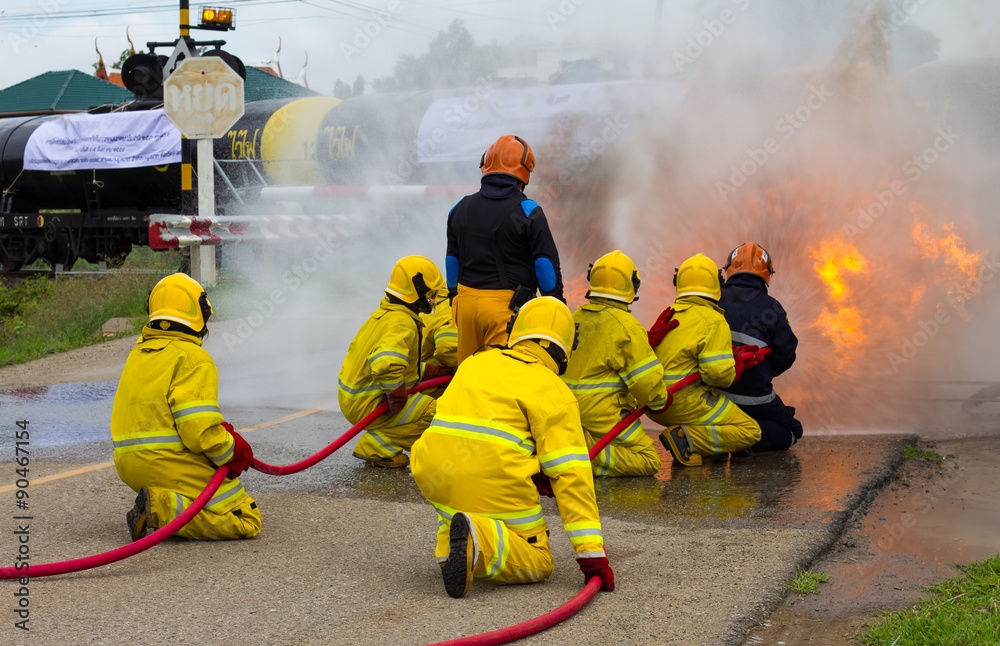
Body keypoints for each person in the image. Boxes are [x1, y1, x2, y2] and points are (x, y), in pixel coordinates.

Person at [410, 297, 614, 599]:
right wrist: (591, 556)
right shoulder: (555, 390)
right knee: (539, 560)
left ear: (516, 331)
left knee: (462, 498)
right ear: (566, 346)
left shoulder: (475, 362)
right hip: (492, 484)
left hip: (432, 476)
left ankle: (450, 546)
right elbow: (572, 478)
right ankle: (478, 540)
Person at [111, 273, 260, 541]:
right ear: (199, 313)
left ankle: (157, 500)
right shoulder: (192, 357)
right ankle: (157, 508)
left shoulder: (137, 354)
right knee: (246, 517)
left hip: (128, 465)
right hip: (165, 462)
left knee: (206, 498)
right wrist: (231, 451)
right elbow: (198, 432)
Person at [446, 135, 565, 364]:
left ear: (486, 167)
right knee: (499, 379)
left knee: (467, 376)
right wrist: (555, 303)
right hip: (504, 310)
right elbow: (544, 266)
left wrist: (454, 296)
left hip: (465, 306)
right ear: (524, 173)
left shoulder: (459, 207)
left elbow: (452, 261)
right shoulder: (529, 211)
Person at [562, 250, 672, 477]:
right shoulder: (627, 327)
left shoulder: (574, 318)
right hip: (603, 414)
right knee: (649, 460)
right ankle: (585, 456)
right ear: (632, 285)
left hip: (566, 411)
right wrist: (661, 400)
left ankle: (574, 444)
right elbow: (647, 385)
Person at [647, 254, 761, 467]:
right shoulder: (713, 320)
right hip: (683, 402)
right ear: (717, 284)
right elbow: (718, 375)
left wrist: (728, 352)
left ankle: (696, 443)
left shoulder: (671, 314)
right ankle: (686, 439)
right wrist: (734, 366)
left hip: (654, 403)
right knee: (750, 431)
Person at [338, 255, 451, 468]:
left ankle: (381, 440)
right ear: (418, 291)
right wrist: (397, 398)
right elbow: (385, 363)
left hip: (356, 399)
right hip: (370, 404)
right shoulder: (403, 324)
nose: (433, 298)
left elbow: (399, 365)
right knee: (440, 413)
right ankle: (377, 446)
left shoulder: (386, 315)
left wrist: (433, 373)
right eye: (431, 293)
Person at [719, 242, 802, 453]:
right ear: (767, 274)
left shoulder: (712, 300)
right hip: (754, 396)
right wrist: (763, 370)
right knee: (792, 429)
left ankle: (727, 434)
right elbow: (786, 354)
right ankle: (746, 440)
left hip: (714, 397)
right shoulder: (772, 307)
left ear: (728, 269)